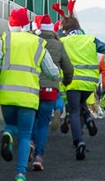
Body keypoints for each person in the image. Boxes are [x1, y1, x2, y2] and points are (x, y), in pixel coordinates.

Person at [53, 0, 105, 160]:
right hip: (89, 83)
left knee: (73, 112)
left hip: (72, 82)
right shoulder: (90, 39)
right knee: (81, 105)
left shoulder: (63, 41)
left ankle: (79, 142)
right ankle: (88, 119)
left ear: (65, 30)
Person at [0, 7, 59, 181]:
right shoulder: (36, 43)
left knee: (11, 125)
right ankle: (21, 174)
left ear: (10, 24)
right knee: (25, 135)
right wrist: (58, 77)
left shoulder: (4, 40)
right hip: (29, 96)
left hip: (7, 94)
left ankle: (7, 134)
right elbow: (52, 71)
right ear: (26, 25)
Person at [29, 14, 74, 171]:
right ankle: (39, 157)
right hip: (50, 89)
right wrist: (66, 82)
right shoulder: (58, 44)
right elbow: (68, 68)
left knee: (32, 119)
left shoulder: (31, 42)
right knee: (43, 124)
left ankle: (30, 143)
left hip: (31, 87)